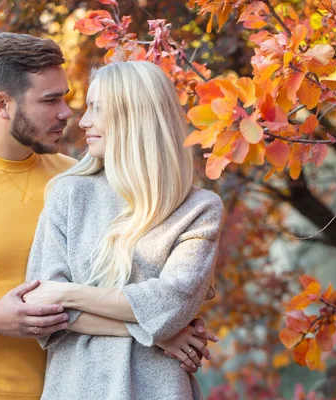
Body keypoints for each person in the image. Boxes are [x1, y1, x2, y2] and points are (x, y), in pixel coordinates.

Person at [0, 33, 214, 400]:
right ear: (2, 105)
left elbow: (138, 275)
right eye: (50, 100)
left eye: (64, 96)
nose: (67, 112)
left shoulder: (76, 180)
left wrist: (159, 323)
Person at [23, 61, 224, 400]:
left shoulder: (199, 209)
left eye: (98, 109)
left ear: (136, 116)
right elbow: (42, 308)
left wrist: (66, 293)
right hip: (75, 387)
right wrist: (156, 333)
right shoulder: (69, 193)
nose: (84, 121)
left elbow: (170, 303)